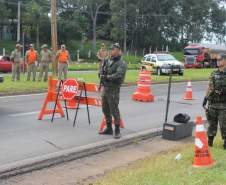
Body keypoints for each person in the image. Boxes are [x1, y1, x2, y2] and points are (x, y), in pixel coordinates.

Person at [99, 43, 127, 139]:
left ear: (118, 50)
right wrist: (101, 74)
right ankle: (109, 128)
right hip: (105, 88)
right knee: (105, 108)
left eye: (113, 49)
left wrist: (107, 77)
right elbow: (102, 70)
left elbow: (119, 74)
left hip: (114, 89)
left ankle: (117, 130)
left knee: (114, 110)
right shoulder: (107, 60)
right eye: (111, 49)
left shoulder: (121, 63)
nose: (111, 51)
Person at [203, 53, 226, 149]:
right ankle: (210, 142)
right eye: (216, 59)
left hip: (224, 105)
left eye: (220, 59)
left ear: (225, 60)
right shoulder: (213, 73)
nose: (217, 61)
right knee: (211, 124)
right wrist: (205, 98)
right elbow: (209, 86)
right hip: (212, 104)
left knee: (224, 125)